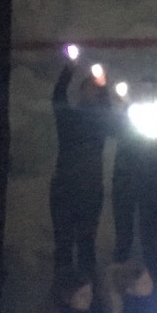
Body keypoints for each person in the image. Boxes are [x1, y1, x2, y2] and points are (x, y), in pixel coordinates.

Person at [50, 57, 112, 281]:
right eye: (88, 88)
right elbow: (58, 96)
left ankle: (89, 292)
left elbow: (110, 114)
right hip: (64, 187)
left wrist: (103, 84)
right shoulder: (69, 117)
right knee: (63, 244)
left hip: (90, 189)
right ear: (81, 91)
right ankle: (63, 292)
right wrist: (69, 69)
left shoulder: (101, 121)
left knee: (86, 245)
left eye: (96, 90)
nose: (92, 93)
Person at [112, 76, 157, 265]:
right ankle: (120, 271)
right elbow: (113, 130)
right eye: (143, 89)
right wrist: (121, 111)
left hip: (150, 178)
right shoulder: (126, 112)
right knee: (123, 232)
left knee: (149, 232)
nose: (147, 93)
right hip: (125, 177)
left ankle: (150, 273)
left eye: (151, 90)